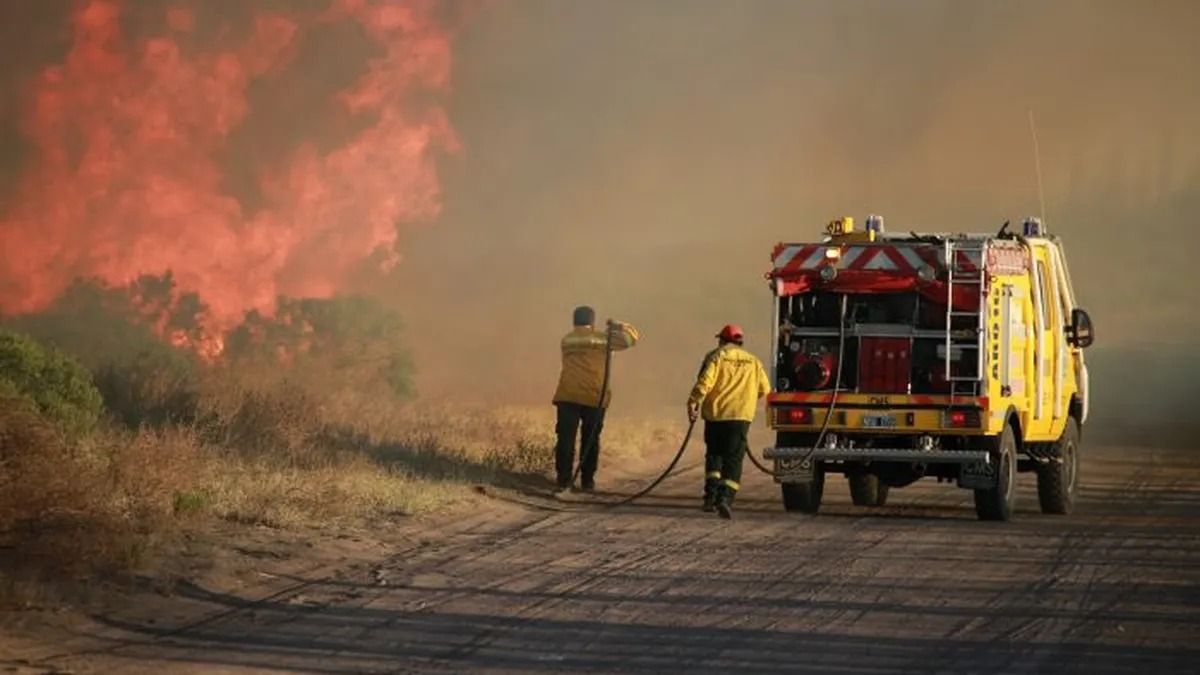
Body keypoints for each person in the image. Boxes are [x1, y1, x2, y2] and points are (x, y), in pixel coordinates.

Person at [552, 305, 640, 492]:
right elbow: (632, 338)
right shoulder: (602, 339)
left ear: (574, 321)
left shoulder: (567, 340)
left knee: (565, 439)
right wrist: (618, 326)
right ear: (592, 322)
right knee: (590, 439)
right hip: (595, 397)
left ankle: (563, 479)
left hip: (567, 395)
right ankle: (587, 480)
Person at [687, 324, 771, 519]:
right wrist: (746, 400)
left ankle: (710, 498)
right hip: (741, 417)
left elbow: (704, 382)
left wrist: (693, 402)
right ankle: (725, 499)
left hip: (716, 415)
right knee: (733, 459)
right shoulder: (754, 361)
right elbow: (764, 389)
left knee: (714, 454)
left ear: (722, 340)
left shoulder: (716, 356)